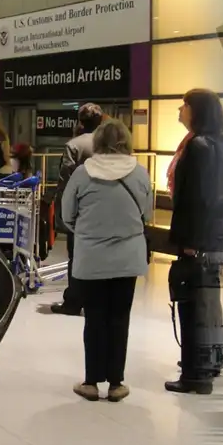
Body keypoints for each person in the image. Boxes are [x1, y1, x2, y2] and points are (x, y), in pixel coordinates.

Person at [62, 119, 151, 402]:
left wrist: (89, 234)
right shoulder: (140, 173)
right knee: (119, 318)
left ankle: (90, 382)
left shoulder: (82, 173)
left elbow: (67, 215)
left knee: (95, 317)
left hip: (91, 259)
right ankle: (116, 383)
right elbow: (147, 215)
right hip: (128, 258)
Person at [164, 89, 223, 395]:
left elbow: (196, 199)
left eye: (185, 106)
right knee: (207, 303)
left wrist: (190, 240)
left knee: (192, 307)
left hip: (198, 238)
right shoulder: (221, 144)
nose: (180, 110)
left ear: (197, 110)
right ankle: (209, 362)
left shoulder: (198, 147)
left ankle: (195, 374)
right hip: (213, 237)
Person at [50, 103, 103, 316]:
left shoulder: (74, 145)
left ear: (80, 121)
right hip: (104, 207)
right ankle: (96, 299)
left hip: (81, 209)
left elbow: (66, 178)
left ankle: (74, 300)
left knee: (77, 255)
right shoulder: (108, 144)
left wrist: (61, 208)